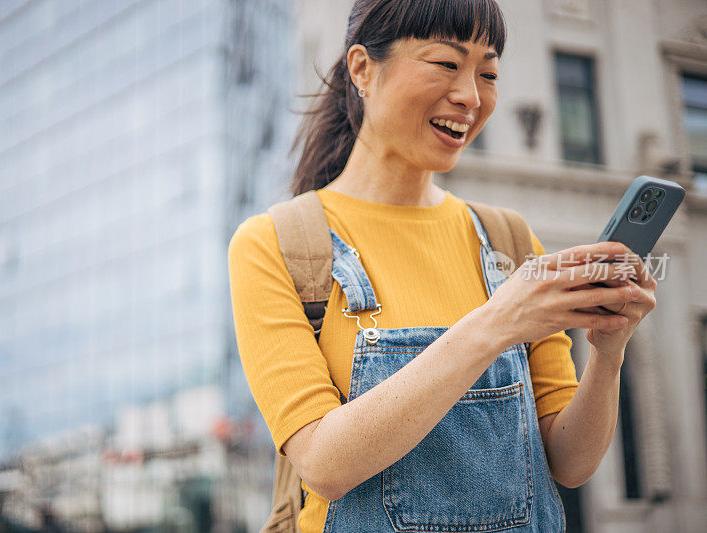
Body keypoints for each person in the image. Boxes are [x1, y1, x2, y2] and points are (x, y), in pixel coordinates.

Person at [227, 0, 657, 531]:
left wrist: (608, 354)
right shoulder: (277, 244)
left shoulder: (509, 239)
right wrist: (497, 323)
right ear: (362, 68)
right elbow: (323, 464)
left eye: (489, 73)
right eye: (446, 64)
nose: (471, 97)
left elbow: (570, 464)